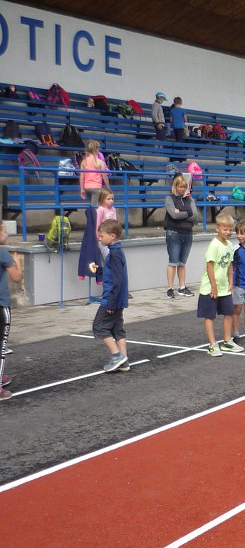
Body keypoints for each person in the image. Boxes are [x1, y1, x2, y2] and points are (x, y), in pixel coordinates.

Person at [198, 213, 244, 357]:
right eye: (225, 229)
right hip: (210, 288)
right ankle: (212, 345)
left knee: (229, 313)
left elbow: (230, 265)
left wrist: (231, 282)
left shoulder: (229, 245)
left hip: (224, 287)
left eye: (230, 229)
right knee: (209, 316)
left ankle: (227, 341)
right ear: (217, 228)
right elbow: (210, 266)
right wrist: (213, 286)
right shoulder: (214, 245)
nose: (228, 232)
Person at [91, 220, 131, 373]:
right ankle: (124, 361)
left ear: (112, 236)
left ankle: (117, 356)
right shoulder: (116, 252)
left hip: (112, 299)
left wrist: (111, 303)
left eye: (102, 236)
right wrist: (99, 270)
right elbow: (112, 274)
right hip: (118, 298)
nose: (99, 238)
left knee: (99, 326)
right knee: (117, 329)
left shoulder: (114, 254)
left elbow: (117, 281)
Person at [163, 173, 198, 299]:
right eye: (180, 187)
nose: (182, 189)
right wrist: (188, 213)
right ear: (175, 187)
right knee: (173, 262)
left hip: (187, 233)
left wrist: (182, 213)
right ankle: (170, 288)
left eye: (184, 187)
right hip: (174, 233)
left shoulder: (190, 199)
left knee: (182, 263)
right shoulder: (169, 199)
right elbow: (173, 215)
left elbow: (195, 216)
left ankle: (182, 287)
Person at [0, 225, 23, 399]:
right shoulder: (3, 252)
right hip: (1, 305)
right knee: (1, 346)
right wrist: (17, 262)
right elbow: (16, 277)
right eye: (5, 231)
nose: (7, 234)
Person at [79, 140, 109, 206]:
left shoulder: (83, 162)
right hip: (96, 187)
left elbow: (81, 177)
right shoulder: (100, 162)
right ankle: (90, 212)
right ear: (96, 149)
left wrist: (82, 188)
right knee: (94, 207)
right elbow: (104, 176)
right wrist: (108, 187)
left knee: (93, 205)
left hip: (87, 187)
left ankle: (91, 212)